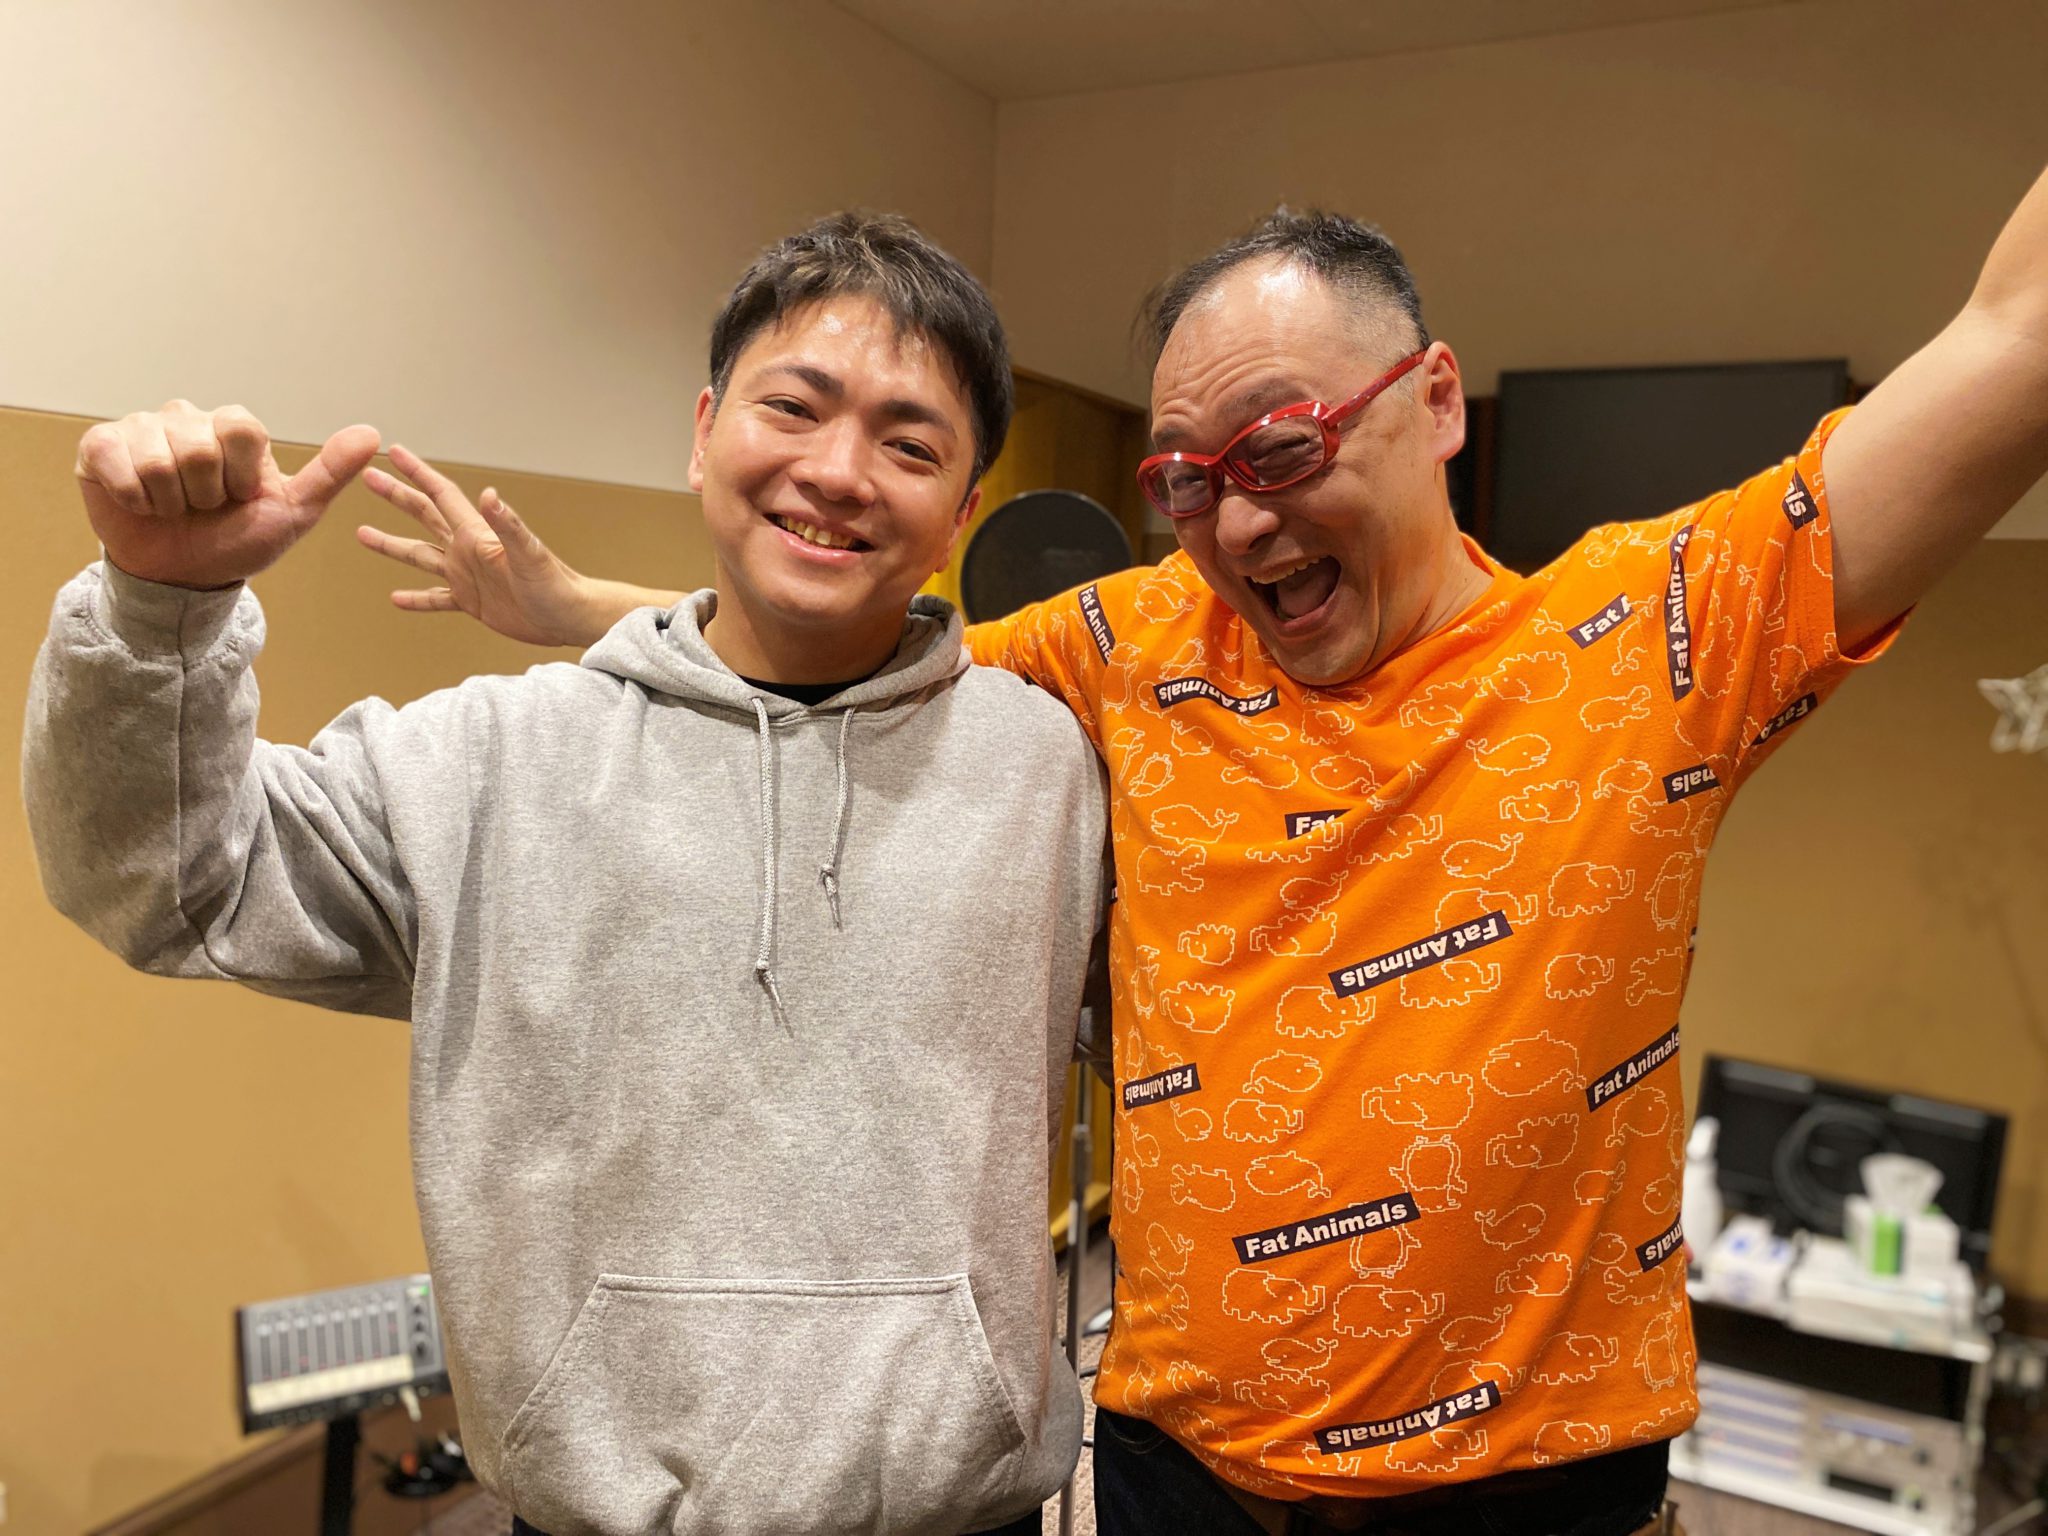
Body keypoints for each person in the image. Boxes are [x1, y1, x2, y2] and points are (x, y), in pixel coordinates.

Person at [356, 167, 2048, 1535]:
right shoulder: (1131, 643)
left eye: (1285, 451)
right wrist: (577, 609)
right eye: (1186, 479)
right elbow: (854, 654)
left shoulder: (1652, 639)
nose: (1238, 522)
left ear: (1434, 402)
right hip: (1176, 1482)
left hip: (1529, 1494)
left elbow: (2014, 335)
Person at [23, 213, 1111, 1536]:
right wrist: (156, 608)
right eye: (794, 406)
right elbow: (169, 885)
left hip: (962, 1516)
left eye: (910, 444)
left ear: (962, 513)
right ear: (703, 431)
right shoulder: (487, 762)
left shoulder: (1050, 770)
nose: (838, 472)